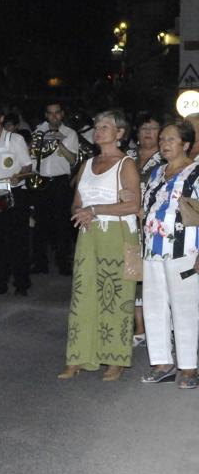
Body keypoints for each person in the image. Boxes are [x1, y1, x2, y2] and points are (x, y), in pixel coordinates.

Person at [58, 111, 139, 381]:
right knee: (83, 296)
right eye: (97, 126)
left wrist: (95, 209)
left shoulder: (125, 164)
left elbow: (133, 205)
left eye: (106, 127)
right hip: (89, 233)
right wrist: (81, 211)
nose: (99, 131)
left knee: (116, 296)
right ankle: (78, 357)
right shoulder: (87, 163)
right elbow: (76, 202)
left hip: (117, 234)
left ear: (120, 134)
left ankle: (114, 359)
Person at [139, 121, 199, 389]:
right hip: (153, 249)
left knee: (185, 308)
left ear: (186, 144)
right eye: (162, 139)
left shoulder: (196, 173)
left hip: (184, 250)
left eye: (171, 139)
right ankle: (162, 363)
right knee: (153, 306)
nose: (164, 143)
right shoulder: (156, 172)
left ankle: (188, 368)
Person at [0, 103, 33, 298]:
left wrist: (19, 175)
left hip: (14, 195)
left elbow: (28, 166)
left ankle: (21, 283)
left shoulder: (15, 139)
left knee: (18, 241)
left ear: (1, 119)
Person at [30, 101, 80, 276]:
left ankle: (63, 263)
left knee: (62, 225)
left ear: (62, 114)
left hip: (60, 182)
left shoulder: (70, 133)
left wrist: (59, 142)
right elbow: (32, 155)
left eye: (57, 113)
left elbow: (73, 160)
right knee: (40, 224)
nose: (54, 116)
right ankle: (40, 263)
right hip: (41, 181)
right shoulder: (38, 131)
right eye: (50, 113)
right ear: (46, 115)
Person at [129, 114, 165, 347]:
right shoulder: (127, 157)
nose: (148, 133)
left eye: (153, 128)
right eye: (144, 128)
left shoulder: (165, 158)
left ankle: (157, 329)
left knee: (154, 277)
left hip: (153, 225)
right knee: (132, 274)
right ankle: (138, 328)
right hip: (128, 223)